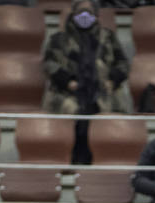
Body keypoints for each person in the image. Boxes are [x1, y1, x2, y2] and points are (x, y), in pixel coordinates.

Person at [43, 0, 131, 165]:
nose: (85, 16)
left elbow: (123, 64)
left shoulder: (108, 37)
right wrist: (67, 81)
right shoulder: (59, 39)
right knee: (74, 120)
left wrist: (113, 79)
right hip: (68, 94)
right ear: (73, 14)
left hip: (102, 95)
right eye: (81, 12)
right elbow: (49, 64)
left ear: (96, 15)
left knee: (104, 124)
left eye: (89, 12)